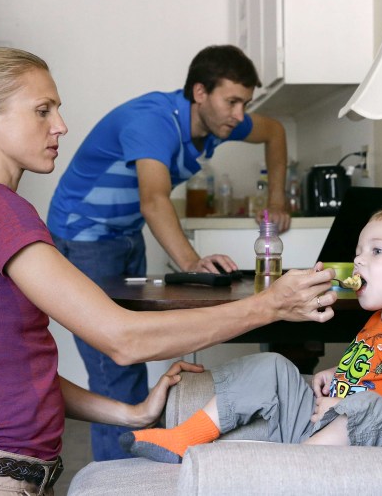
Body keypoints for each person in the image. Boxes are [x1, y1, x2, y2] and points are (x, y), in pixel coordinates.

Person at [0, 47, 337, 496]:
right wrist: (270, 305)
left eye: (58, 110)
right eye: (43, 110)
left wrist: (133, 413)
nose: (61, 125)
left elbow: (19, 371)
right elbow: (124, 339)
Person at [46, 44, 292, 460]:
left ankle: (138, 463)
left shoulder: (218, 123)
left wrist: (280, 198)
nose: (239, 113)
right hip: (82, 236)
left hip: (125, 235)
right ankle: (119, 482)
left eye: (245, 103)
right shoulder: (153, 122)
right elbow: (154, 200)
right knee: (116, 369)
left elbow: (275, 132)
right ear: (200, 92)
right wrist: (193, 263)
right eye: (232, 101)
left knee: (137, 350)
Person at [121, 207, 382, 463]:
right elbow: (367, 374)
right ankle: (183, 439)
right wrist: (334, 375)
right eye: (359, 250)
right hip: (318, 426)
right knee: (274, 365)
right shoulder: (376, 323)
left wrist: (348, 403)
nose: (357, 260)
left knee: (371, 407)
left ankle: (290, 470)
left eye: (377, 251)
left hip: (363, 447)